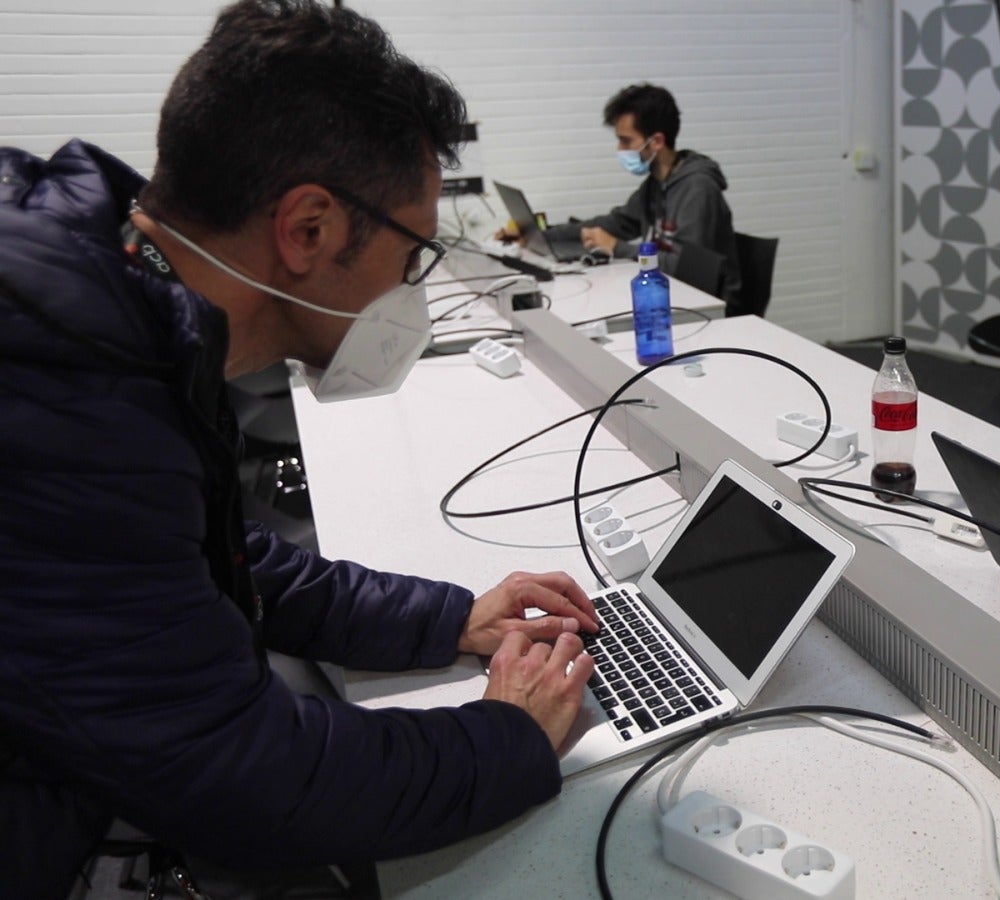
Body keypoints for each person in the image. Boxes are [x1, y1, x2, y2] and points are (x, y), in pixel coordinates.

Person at [0, 2, 601, 896]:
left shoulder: (114, 308)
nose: (413, 291)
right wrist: (506, 735)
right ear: (308, 228)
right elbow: (245, 778)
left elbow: (214, 561)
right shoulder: (63, 391)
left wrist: (446, 619)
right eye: (413, 255)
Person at [545, 83, 743, 310]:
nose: (620, 148)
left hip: (705, 308)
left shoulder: (698, 189)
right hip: (669, 295)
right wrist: (543, 235)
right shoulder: (656, 184)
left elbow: (687, 270)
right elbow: (615, 223)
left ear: (656, 141)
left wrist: (617, 247)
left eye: (626, 141)